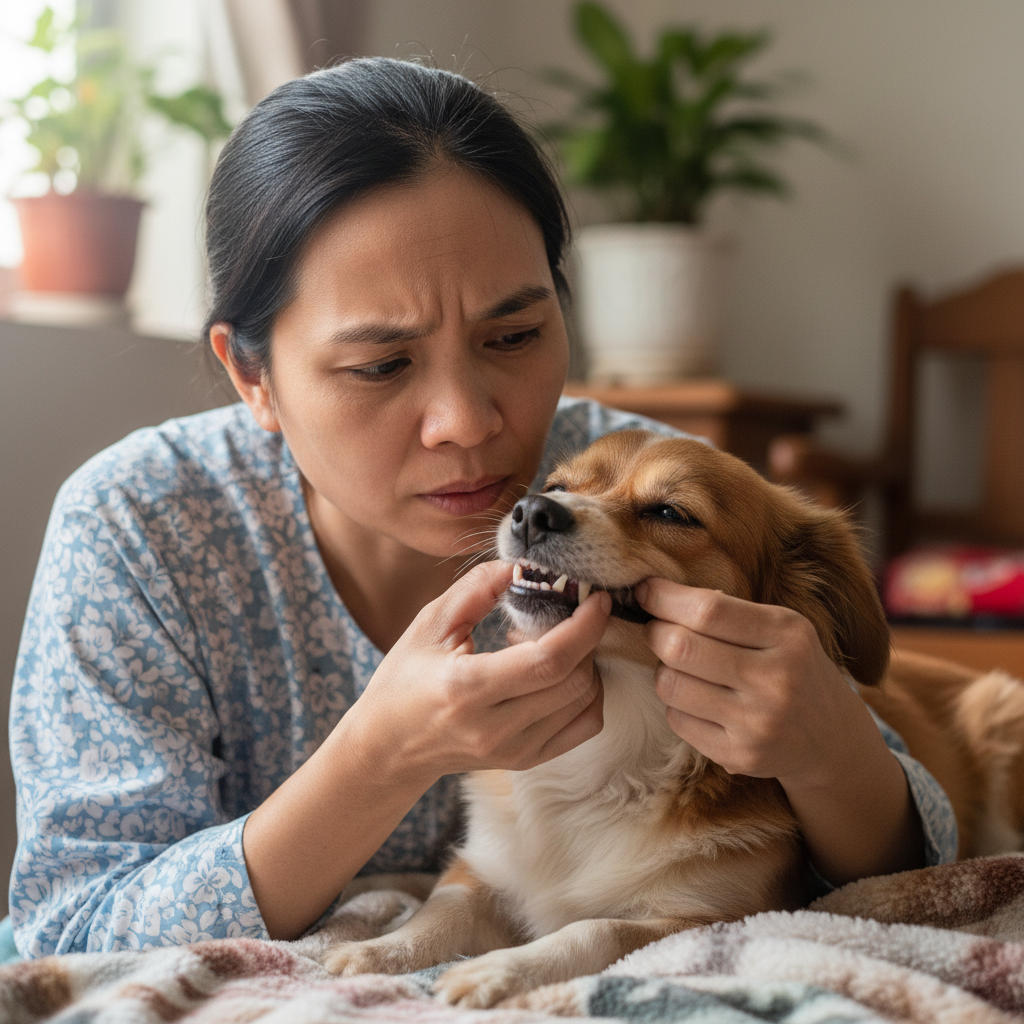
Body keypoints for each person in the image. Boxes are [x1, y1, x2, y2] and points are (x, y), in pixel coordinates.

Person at [7, 57, 956, 958]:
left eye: (516, 333)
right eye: (381, 364)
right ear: (250, 374)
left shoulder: (628, 485)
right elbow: (71, 925)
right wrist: (379, 761)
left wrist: (832, 749)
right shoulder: (142, 529)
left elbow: (914, 856)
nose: (467, 422)